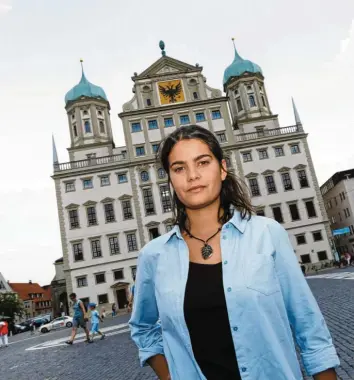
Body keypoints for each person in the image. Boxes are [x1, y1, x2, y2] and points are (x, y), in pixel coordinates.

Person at [129, 125, 340, 380]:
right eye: (179, 168)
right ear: (170, 180)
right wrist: (169, 376)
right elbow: (142, 327)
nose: (192, 175)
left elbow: (309, 327)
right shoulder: (153, 256)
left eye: (203, 162)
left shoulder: (267, 234)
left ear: (222, 168)